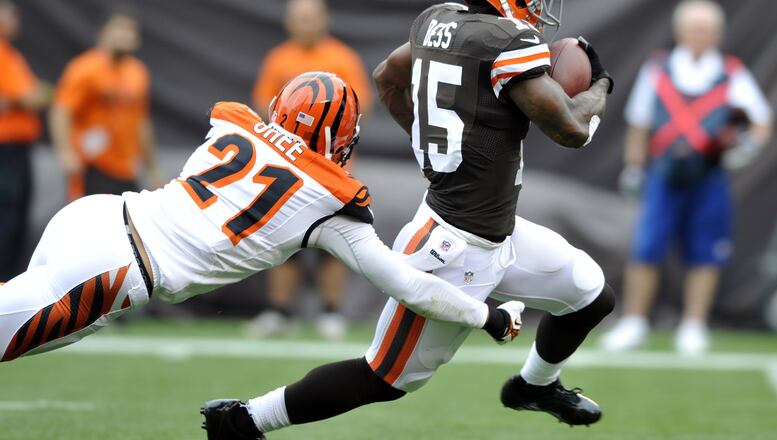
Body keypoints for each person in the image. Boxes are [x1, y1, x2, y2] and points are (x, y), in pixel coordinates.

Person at [201, 1, 615, 438]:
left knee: (591, 295)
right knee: (383, 377)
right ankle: (243, 419)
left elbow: (387, 76)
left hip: (499, 231)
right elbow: (571, 130)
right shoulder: (509, 40)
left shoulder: (438, 21)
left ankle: (534, 386)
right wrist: (602, 84)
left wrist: (434, 149)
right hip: (452, 246)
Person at [0, 73, 523, 386]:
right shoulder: (330, 200)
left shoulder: (232, 122)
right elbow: (409, 285)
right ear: (342, 140)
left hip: (95, 214)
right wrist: (488, 315)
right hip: (117, 267)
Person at [602, 0, 773, 354]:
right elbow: (639, 123)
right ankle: (634, 321)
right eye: (696, 28)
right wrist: (634, 166)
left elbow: (761, 121)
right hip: (663, 176)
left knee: (706, 252)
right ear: (680, 31)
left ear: (718, 34)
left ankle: (694, 325)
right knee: (646, 248)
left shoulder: (730, 72)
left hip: (708, 177)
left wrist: (746, 149)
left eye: (709, 29)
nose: (702, 35)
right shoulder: (659, 69)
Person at [247, 0, 374, 340]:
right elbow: (264, 105)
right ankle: (279, 310)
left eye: (310, 18)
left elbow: (360, 106)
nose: (305, 24)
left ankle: (331, 310)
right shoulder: (279, 58)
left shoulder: (341, 57)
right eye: (299, 18)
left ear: (323, 20)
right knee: (281, 239)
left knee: (331, 242)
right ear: (289, 22)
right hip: (288, 164)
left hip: (330, 167)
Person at [49, 13, 163, 201]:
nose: (125, 35)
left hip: (126, 167)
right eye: (119, 28)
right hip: (92, 164)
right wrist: (65, 152)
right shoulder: (85, 68)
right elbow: (61, 111)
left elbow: (141, 122)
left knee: (125, 216)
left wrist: (152, 167)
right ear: (103, 33)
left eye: (131, 31)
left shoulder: (138, 72)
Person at [0, 0, 49, 281]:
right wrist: (29, 97)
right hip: (4, 148)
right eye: (9, 16)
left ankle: (10, 280)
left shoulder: (12, 54)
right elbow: (28, 96)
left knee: (17, 216)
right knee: (6, 214)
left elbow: (33, 94)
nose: (15, 21)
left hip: (19, 149)